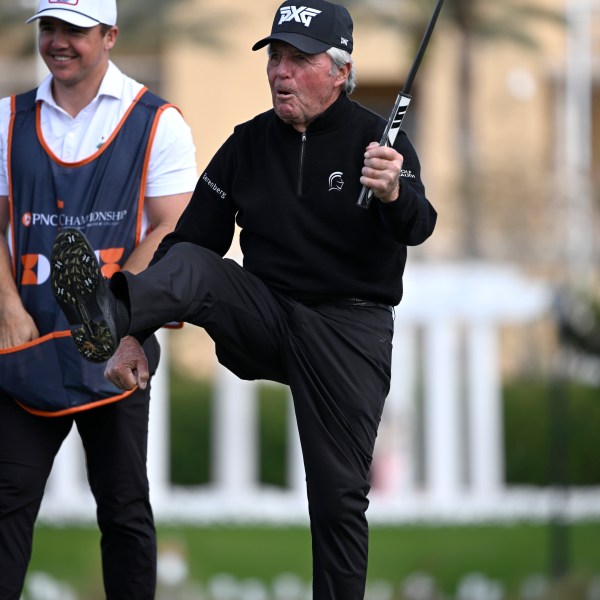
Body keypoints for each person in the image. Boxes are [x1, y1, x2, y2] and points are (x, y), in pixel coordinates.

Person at [51, 0, 436, 597]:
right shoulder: (247, 144)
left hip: (348, 331)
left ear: (339, 70)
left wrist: (391, 193)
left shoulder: (379, 142)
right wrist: (136, 335)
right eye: (275, 58)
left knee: (338, 502)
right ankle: (110, 313)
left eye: (298, 60)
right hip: (266, 316)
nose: (281, 72)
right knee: (197, 264)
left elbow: (419, 224)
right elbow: (186, 246)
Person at [0, 0, 197, 597]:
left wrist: (114, 313)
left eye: (76, 31)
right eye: (50, 28)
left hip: (116, 350)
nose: (59, 41)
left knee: (124, 509)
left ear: (110, 36)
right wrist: (7, 308)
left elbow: (173, 226)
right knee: (6, 506)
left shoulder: (158, 121)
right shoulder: (8, 119)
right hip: (27, 350)